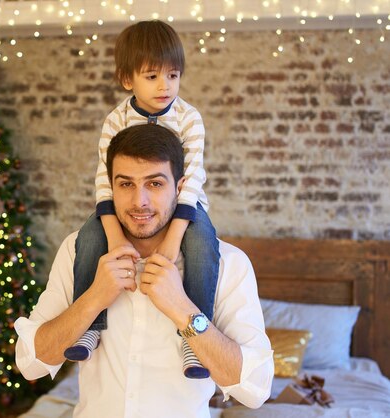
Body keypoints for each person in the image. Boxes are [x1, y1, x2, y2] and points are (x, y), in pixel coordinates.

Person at [14, 124, 274, 418]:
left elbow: (254, 389)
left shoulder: (227, 262)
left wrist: (183, 310)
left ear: (180, 187)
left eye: (155, 184)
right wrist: (93, 298)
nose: (140, 201)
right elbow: (30, 362)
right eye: (126, 184)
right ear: (109, 188)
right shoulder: (79, 250)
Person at [65, 19, 220, 379]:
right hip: (120, 209)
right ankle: (91, 323)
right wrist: (115, 236)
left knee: (203, 245)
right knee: (88, 239)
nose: (165, 86)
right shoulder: (116, 120)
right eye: (152, 76)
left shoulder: (189, 119)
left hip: (185, 208)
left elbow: (191, 182)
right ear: (127, 79)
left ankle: (193, 338)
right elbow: (105, 183)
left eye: (173, 75)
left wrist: (172, 242)